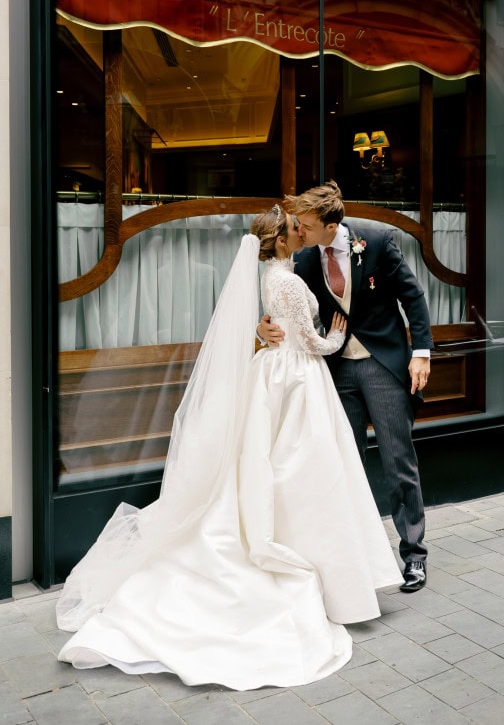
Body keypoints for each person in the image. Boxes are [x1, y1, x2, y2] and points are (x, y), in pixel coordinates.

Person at [55, 206, 401, 689]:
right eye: (293, 229)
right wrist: (336, 340)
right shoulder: (286, 281)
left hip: (278, 376)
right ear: (281, 240)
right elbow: (308, 342)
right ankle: (329, 574)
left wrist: (272, 334)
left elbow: (277, 328)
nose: (300, 231)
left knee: (284, 470)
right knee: (307, 471)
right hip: (298, 378)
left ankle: (324, 567)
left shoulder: (273, 275)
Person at [258, 182, 434, 592]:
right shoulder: (301, 259)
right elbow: (285, 309)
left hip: (382, 365)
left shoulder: (375, 242)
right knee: (342, 465)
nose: (299, 232)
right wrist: (263, 328)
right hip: (334, 372)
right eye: (297, 226)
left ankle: (414, 556)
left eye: (306, 225)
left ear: (330, 225)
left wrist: (421, 352)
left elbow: (413, 297)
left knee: (397, 461)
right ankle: (355, 562)